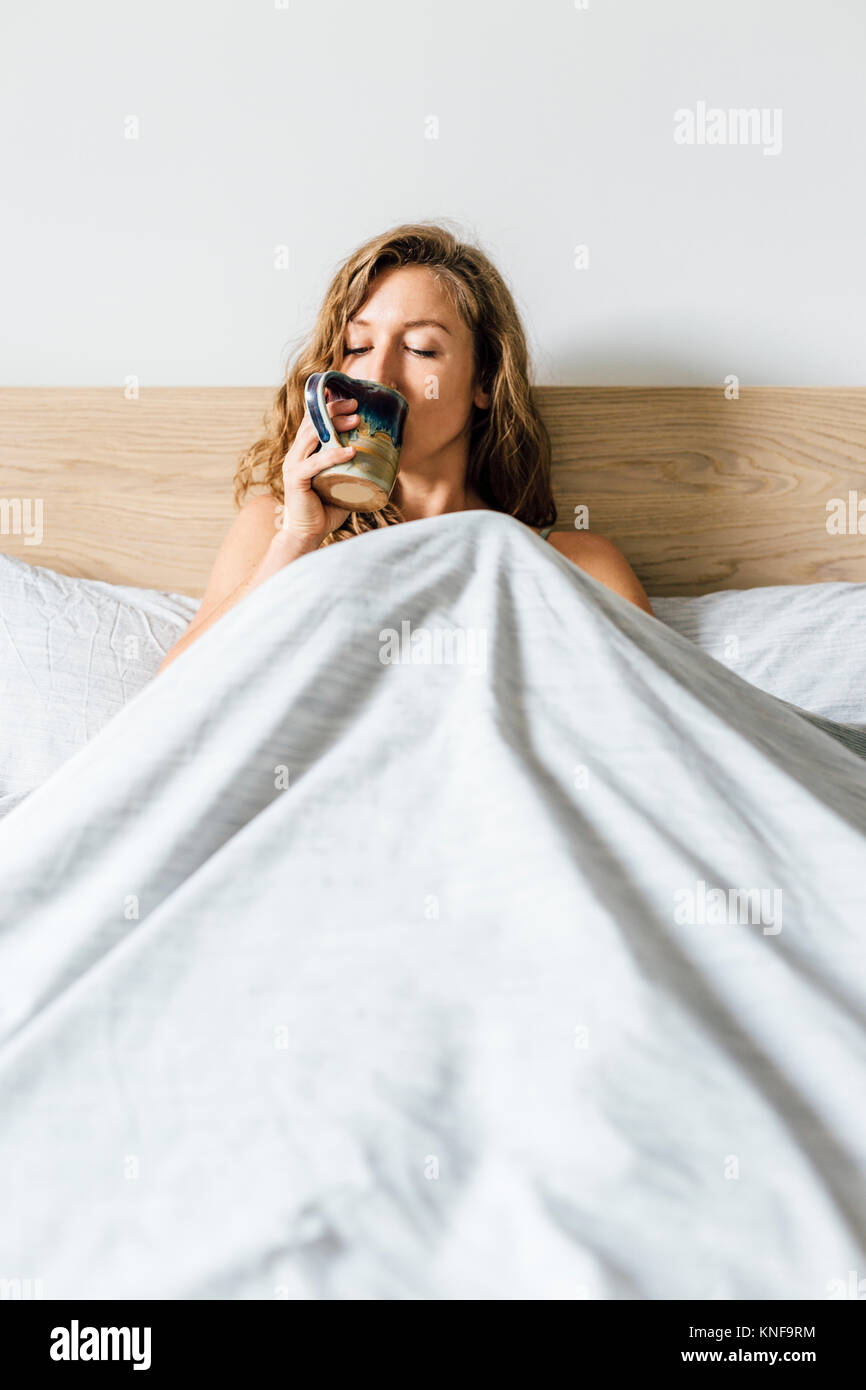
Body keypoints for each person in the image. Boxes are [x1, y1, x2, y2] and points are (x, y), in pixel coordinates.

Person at [159, 223, 653, 673]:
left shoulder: (579, 565)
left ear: (484, 380)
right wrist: (295, 542)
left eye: (420, 349)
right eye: (357, 347)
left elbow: (650, 725)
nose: (379, 376)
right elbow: (168, 705)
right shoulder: (277, 530)